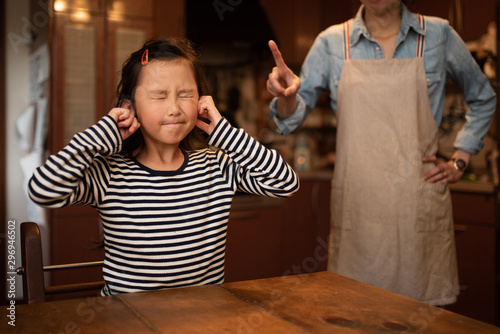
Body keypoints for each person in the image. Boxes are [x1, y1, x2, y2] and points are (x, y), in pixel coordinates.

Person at [266, 0, 496, 306]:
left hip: (417, 205)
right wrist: (287, 98)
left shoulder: (438, 35)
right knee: (355, 312)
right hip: (359, 211)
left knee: (420, 319)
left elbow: (483, 96)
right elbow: (288, 121)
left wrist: (460, 158)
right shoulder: (331, 42)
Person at [29, 38, 299, 296]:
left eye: (185, 95)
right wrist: (101, 135)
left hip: (203, 318)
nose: (174, 108)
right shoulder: (108, 173)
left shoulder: (217, 165)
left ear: (202, 102)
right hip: (127, 320)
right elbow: (43, 190)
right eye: (159, 96)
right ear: (129, 107)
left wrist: (225, 133)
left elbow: (286, 183)